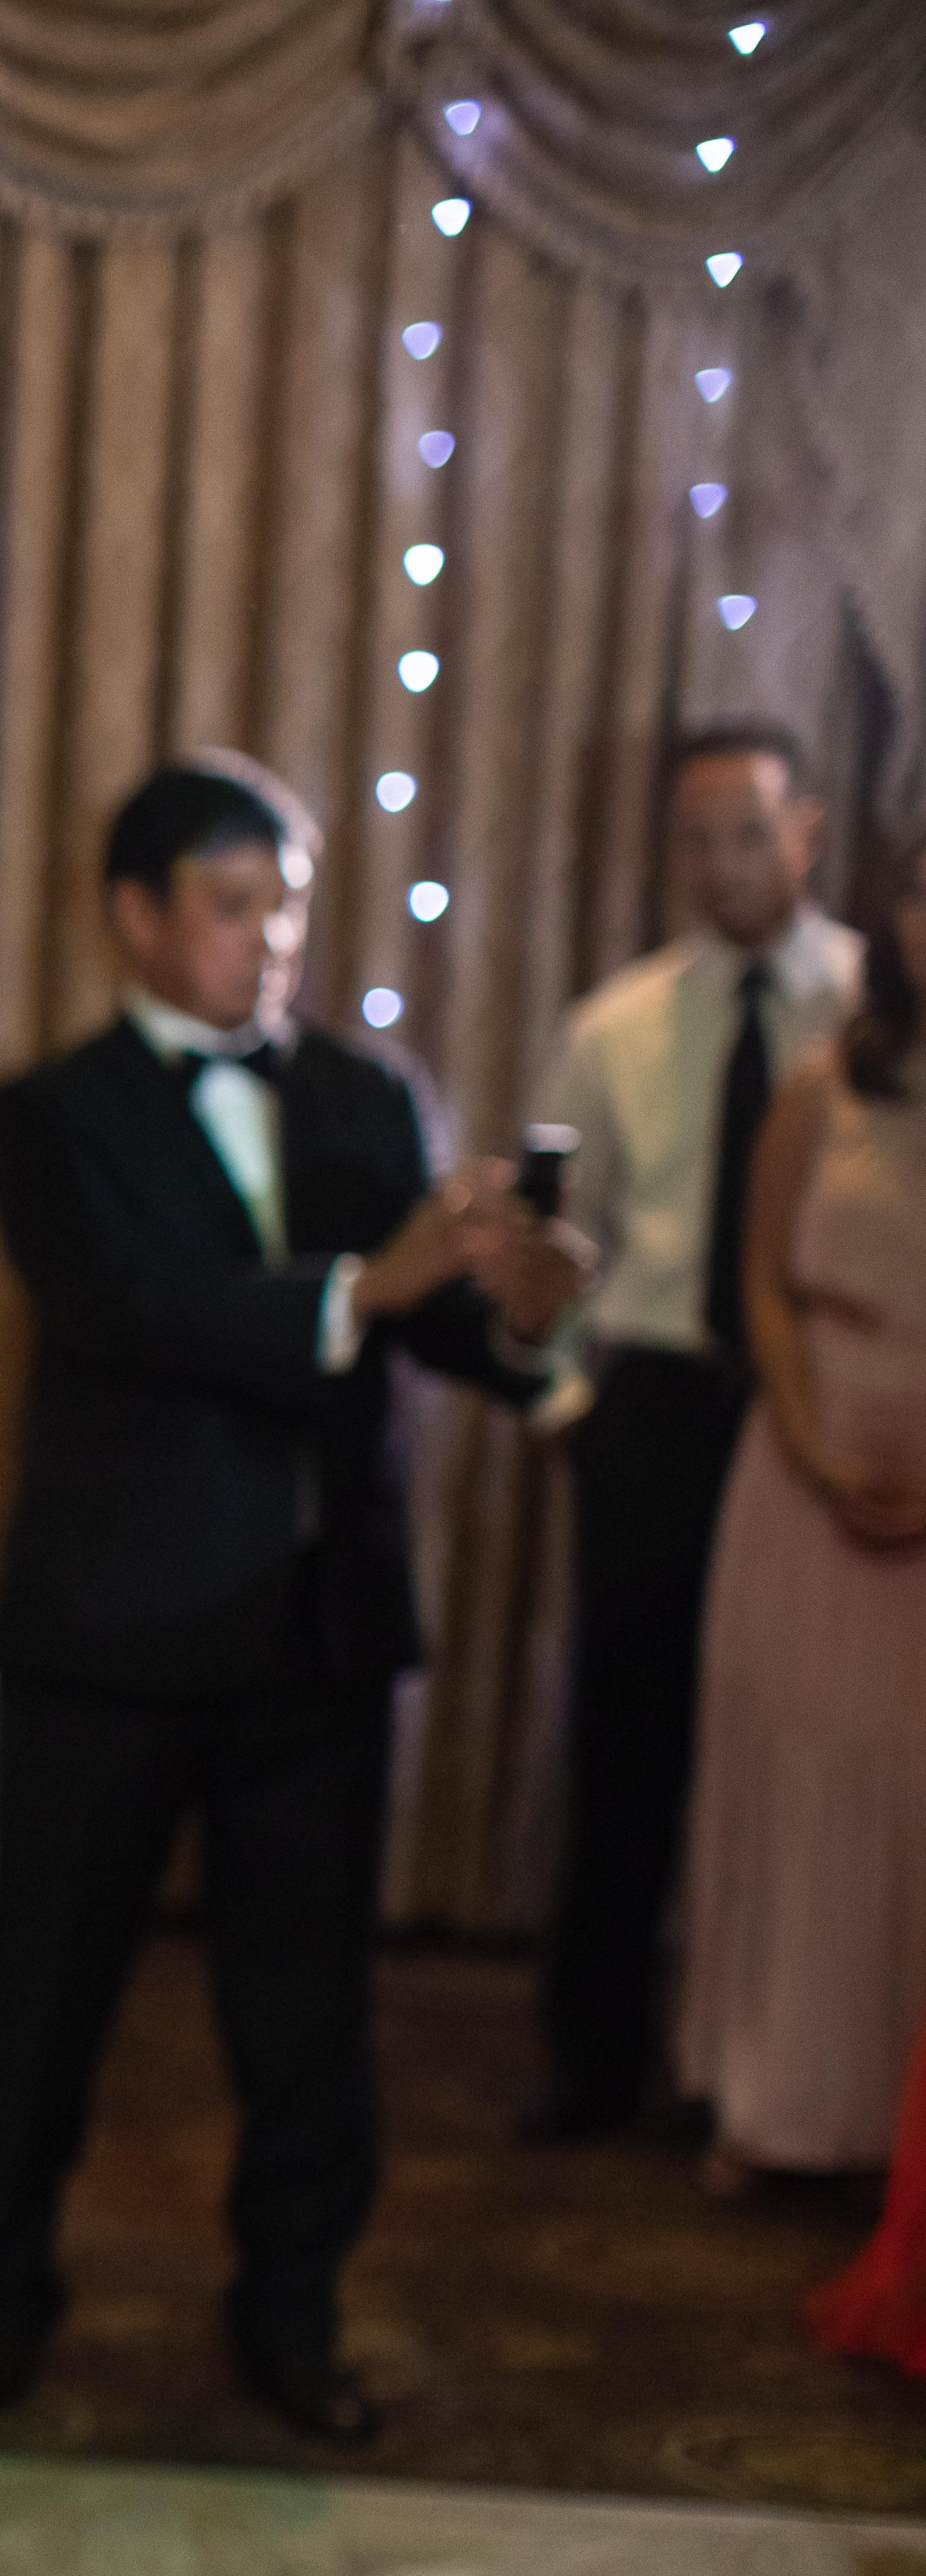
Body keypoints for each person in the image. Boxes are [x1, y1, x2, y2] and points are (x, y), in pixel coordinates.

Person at [0, 758, 581, 2447]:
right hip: (118, 1626)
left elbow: (438, 1344)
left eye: (286, 902)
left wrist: (519, 1311)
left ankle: (293, 2313)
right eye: (235, 903)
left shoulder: (370, 1097)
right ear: (136, 916)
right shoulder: (49, 1116)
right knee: (50, 1982)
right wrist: (374, 1283)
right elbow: (134, 1315)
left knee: (307, 2012)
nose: (271, 938)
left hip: (321, 1624)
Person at [527, 724, 863, 2143]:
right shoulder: (618, 1025)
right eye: (696, 836)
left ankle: (794, 2061)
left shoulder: (875, 1006)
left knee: (814, 1739)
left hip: (831, 1406)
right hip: (660, 1398)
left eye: (749, 829)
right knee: (630, 1734)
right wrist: (565, 1402)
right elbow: (558, 1239)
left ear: (809, 833)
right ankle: (594, 2053)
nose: (722, 861)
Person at [684, 831, 926, 2187]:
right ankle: (773, 2097)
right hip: (808, 1458)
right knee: (797, 1784)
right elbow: (762, 1283)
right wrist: (815, 1441)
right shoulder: (826, 1085)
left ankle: (908, 2135)